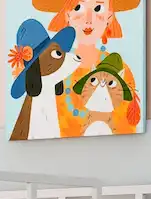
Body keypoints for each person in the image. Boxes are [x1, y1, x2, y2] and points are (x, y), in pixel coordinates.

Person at [33, 0, 142, 137]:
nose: (88, 20)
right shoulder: (53, 67)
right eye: (78, 8)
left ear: (109, 17)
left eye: (98, 8)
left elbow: (127, 126)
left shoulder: (121, 71)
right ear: (67, 15)